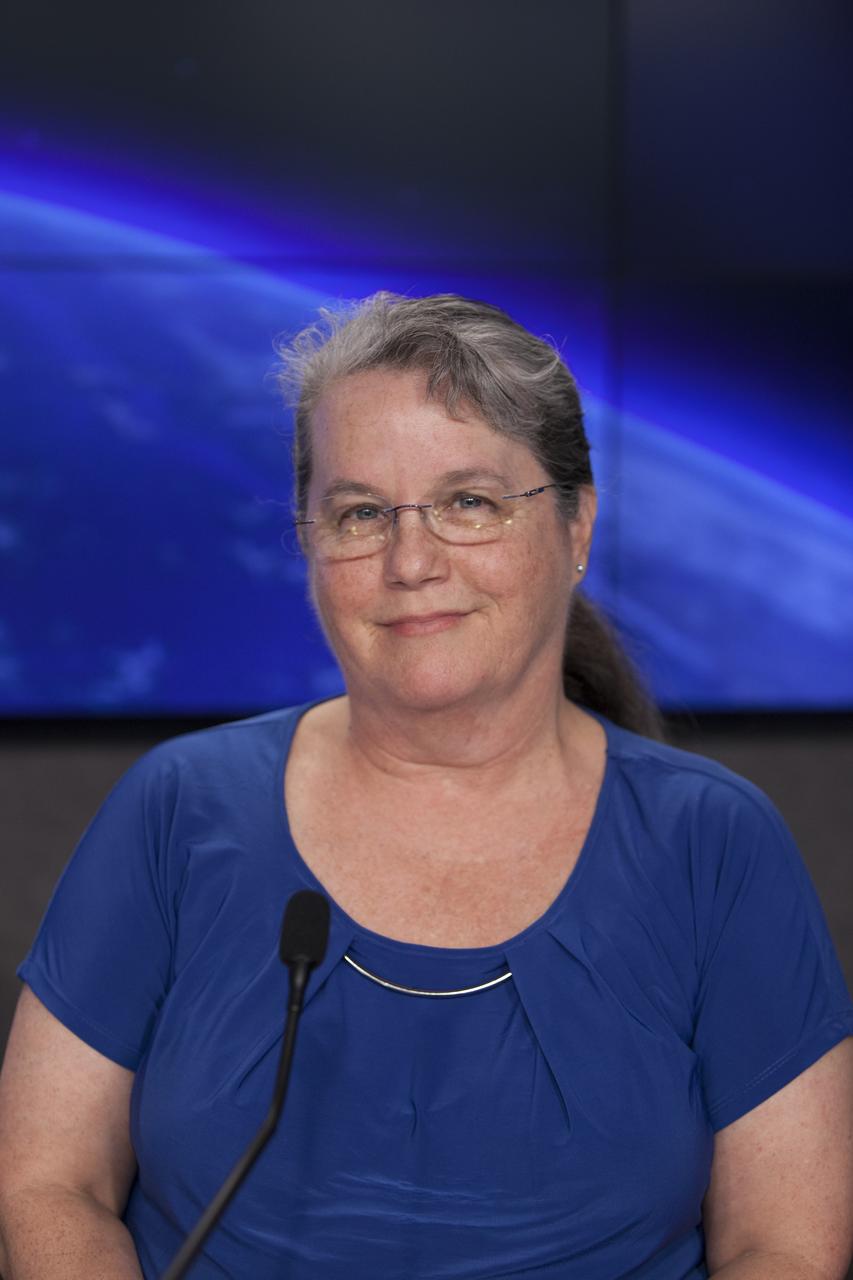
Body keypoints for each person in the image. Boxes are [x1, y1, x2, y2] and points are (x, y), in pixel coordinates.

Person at [0, 292, 851, 1280]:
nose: (411, 561)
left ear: (575, 526)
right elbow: (46, 1184)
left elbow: (783, 1243)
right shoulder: (175, 810)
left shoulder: (715, 845)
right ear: (310, 544)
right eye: (361, 512)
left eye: (468, 502)